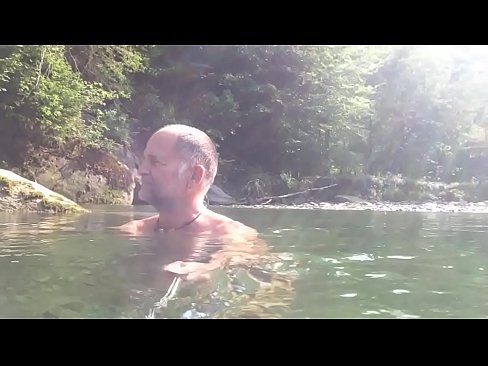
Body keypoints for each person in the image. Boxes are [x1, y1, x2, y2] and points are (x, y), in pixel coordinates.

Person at [119, 124, 252, 237]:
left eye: (155, 162)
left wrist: (203, 266)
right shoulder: (132, 231)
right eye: (144, 160)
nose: (142, 170)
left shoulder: (233, 236)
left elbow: (235, 258)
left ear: (194, 176)